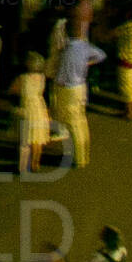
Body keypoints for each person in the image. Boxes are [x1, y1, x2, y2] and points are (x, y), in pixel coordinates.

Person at [50, 26, 106, 166]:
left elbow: (52, 71)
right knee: (81, 122)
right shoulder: (84, 47)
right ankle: (83, 155)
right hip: (80, 87)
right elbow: (101, 55)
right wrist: (87, 63)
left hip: (67, 89)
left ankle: (78, 158)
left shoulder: (65, 50)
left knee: (72, 123)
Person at [15, 53, 50, 176]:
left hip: (27, 109)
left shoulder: (23, 78)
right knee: (37, 139)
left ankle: (23, 166)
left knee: (25, 140)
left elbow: (13, 90)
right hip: (39, 108)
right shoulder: (42, 78)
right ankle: (35, 163)